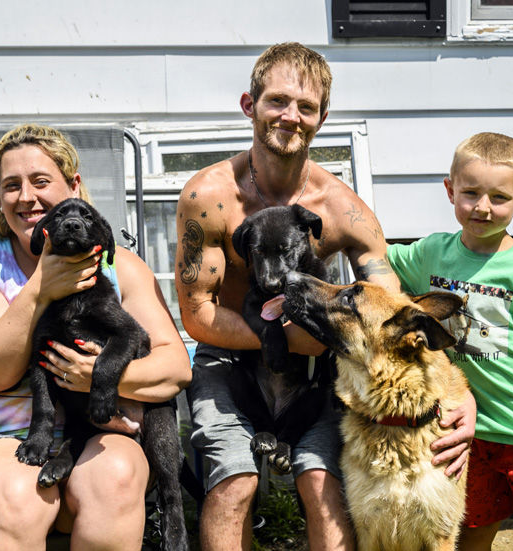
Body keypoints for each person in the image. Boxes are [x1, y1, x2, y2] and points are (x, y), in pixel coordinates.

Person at [175, 42, 475, 551]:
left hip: (314, 375)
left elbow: (396, 314)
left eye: (306, 107)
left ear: (322, 117)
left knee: (322, 482)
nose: (290, 116)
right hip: (228, 359)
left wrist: (456, 393)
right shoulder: (209, 197)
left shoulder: (342, 210)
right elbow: (199, 315)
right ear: (251, 105)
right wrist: (288, 339)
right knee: (233, 482)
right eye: (277, 101)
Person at [0, 123, 192, 550]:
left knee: (118, 476)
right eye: (10, 186)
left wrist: (98, 376)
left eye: (40, 181)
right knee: (22, 496)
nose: (26, 197)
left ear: (72, 185)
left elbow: (175, 368)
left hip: (90, 428)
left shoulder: (121, 266)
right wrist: (41, 288)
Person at [387, 132, 513, 551]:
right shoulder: (431, 254)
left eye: (499, 197)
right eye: (471, 193)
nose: (482, 208)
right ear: (449, 190)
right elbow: (378, 257)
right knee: (472, 530)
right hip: (464, 433)